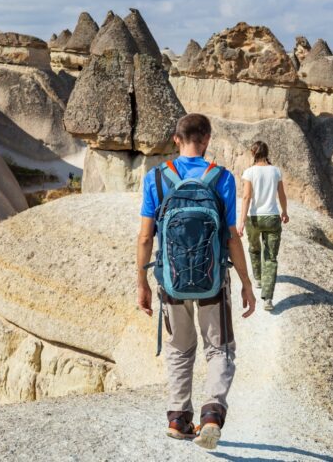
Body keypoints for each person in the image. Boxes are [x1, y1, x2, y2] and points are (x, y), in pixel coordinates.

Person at [136, 113, 256, 450]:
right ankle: (211, 417)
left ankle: (178, 419)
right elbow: (232, 236)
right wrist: (246, 281)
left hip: (170, 281)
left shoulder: (156, 179)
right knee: (219, 349)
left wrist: (141, 281)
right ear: (206, 139)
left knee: (179, 348)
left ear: (177, 139)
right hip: (213, 281)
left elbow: (146, 237)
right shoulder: (221, 178)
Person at [237, 141, 289, 312]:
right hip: (272, 217)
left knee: (254, 249)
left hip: (254, 218)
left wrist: (242, 221)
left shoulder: (249, 172)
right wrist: (284, 212)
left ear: (253, 153)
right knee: (271, 258)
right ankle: (268, 298)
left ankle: (258, 278)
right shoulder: (275, 171)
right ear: (267, 153)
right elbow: (281, 194)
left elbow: (246, 197)